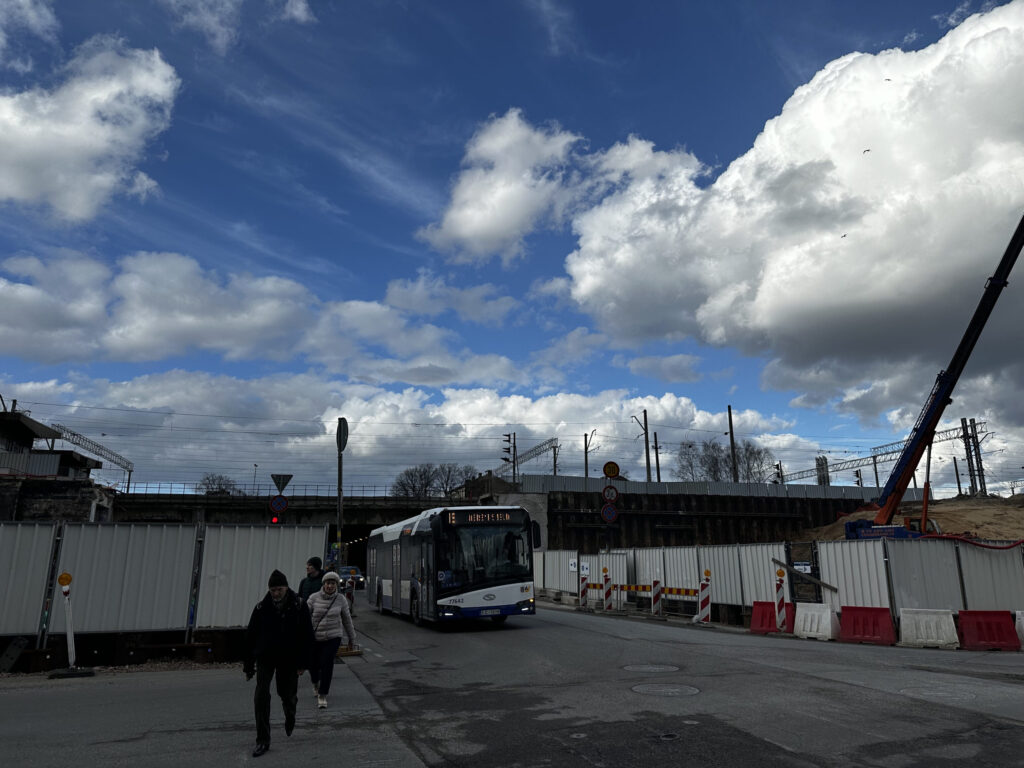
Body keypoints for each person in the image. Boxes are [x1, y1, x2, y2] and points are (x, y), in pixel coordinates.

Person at [244, 569, 314, 758]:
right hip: (266, 657)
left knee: (287, 694)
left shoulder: (299, 605)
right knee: (261, 696)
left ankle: (290, 714)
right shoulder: (261, 608)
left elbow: (307, 636)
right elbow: (250, 637)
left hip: (289, 658)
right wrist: (248, 665)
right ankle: (262, 740)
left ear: (286, 587)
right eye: (273, 590)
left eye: (279, 589)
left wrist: (303, 662)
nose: (276, 593)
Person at [305, 571, 356, 709]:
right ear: (323, 584)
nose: (330, 586)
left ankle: (323, 695)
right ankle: (315, 682)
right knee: (313, 665)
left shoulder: (341, 599)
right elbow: (304, 616)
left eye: (333, 583)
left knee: (327, 663)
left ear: (336, 585)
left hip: (333, 637)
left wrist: (352, 638)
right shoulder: (313, 598)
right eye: (328, 583)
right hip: (315, 637)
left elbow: (347, 619)